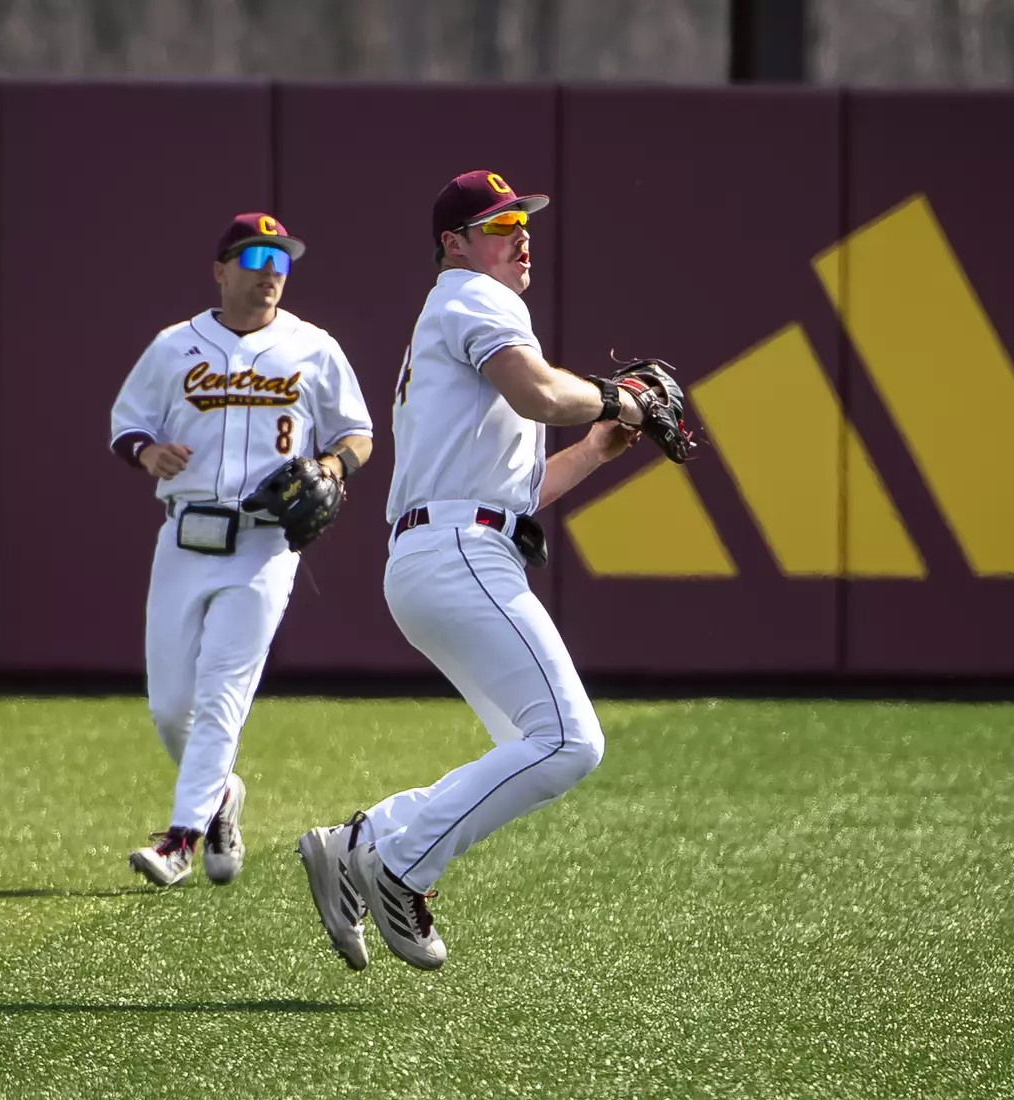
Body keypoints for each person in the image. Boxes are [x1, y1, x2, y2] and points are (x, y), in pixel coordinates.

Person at [295, 171, 693, 971]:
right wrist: (620, 398)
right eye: (502, 222)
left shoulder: (453, 314)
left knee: (534, 741)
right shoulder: (473, 296)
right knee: (571, 743)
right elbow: (541, 392)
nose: (522, 237)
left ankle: (363, 841)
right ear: (454, 243)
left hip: (446, 551)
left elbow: (517, 491)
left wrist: (596, 444)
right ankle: (401, 862)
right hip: (458, 555)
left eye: (525, 221)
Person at [111, 211, 373, 889]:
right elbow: (126, 422)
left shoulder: (313, 346)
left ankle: (179, 840)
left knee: (224, 692)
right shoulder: (174, 346)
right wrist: (147, 452)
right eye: (255, 259)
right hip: (186, 533)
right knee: (171, 705)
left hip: (265, 543)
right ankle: (222, 794)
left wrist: (333, 468)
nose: (269, 275)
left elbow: (358, 433)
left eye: (280, 262)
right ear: (220, 270)